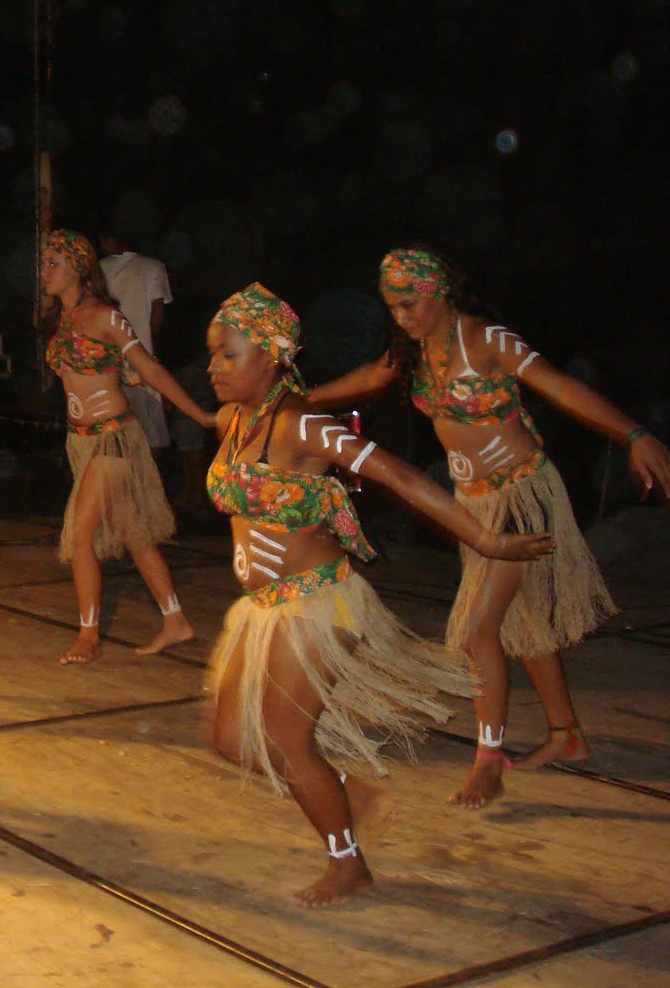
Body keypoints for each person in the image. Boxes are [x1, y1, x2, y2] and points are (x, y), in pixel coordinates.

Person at [204, 284, 552, 906]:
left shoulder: (300, 423)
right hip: (261, 608)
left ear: (273, 353)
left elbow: (396, 473)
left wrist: (487, 540)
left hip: (317, 602)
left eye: (227, 355)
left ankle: (348, 864)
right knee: (231, 739)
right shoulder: (236, 421)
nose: (213, 368)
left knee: (284, 739)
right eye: (212, 356)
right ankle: (348, 794)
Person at [307, 247, 670, 809]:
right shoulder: (416, 351)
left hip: (522, 495)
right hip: (472, 505)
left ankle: (489, 760)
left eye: (410, 304)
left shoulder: (488, 341)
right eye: (393, 308)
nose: (402, 317)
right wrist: (299, 400)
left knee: (480, 631)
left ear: (441, 292)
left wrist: (633, 435)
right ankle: (565, 734)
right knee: (523, 626)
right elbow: (367, 378)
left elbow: (560, 386)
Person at [40, 230, 214, 662]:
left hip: (112, 438)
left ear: (79, 268)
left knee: (80, 534)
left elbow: (150, 370)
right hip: (80, 442)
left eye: (52, 263)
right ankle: (176, 621)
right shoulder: (61, 320)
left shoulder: (105, 316)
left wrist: (201, 416)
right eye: (43, 263)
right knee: (135, 535)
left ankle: (88, 635)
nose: (44, 272)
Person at [97, 231, 173, 453]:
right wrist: (147, 342)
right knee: (151, 434)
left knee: (114, 434)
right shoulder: (154, 267)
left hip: (107, 361)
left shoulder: (99, 268)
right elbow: (157, 311)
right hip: (142, 358)